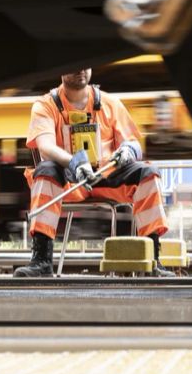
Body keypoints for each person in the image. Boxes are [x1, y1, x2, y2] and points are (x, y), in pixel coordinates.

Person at [18, 69, 172, 277]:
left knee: (148, 173)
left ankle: (153, 261)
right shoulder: (46, 105)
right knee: (45, 171)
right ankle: (41, 261)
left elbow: (134, 142)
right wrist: (74, 163)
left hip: (107, 179)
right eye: (74, 66)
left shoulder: (110, 104)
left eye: (85, 65)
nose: (80, 70)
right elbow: (45, 146)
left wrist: (129, 150)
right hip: (68, 182)